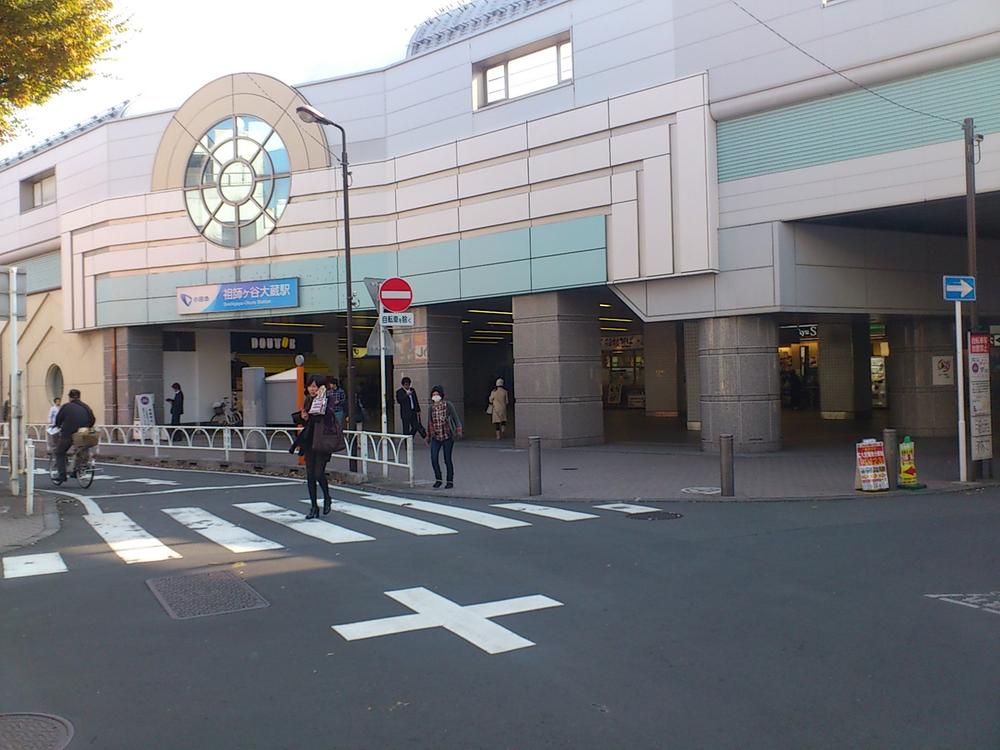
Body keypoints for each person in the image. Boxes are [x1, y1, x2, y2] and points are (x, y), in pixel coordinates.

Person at [290, 376, 346, 519]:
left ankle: (327, 497)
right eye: (310, 386)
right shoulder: (308, 400)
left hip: (323, 441)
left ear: (323, 387)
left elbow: (328, 416)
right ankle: (314, 507)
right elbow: (307, 420)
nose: (312, 389)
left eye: (316, 386)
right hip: (310, 441)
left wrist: (322, 400)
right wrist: (303, 417)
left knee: (318, 474)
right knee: (310, 476)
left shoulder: (329, 400)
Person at [54, 388, 96, 482]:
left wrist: (58, 425)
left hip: (68, 433)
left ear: (70, 397)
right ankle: (78, 470)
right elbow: (93, 419)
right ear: (79, 397)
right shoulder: (86, 407)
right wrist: (86, 427)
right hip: (83, 433)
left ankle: (62, 476)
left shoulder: (66, 406)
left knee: (59, 452)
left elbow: (58, 419)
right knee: (81, 449)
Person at [425, 384, 462, 489]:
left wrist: (458, 430)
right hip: (435, 437)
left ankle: (450, 481)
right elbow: (429, 422)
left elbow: (456, 418)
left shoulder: (448, 405)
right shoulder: (430, 408)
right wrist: (428, 436)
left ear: (441, 395)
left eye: (437, 394)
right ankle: (438, 479)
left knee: (447, 459)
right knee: (434, 458)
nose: (435, 396)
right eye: (433, 395)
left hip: (447, 436)